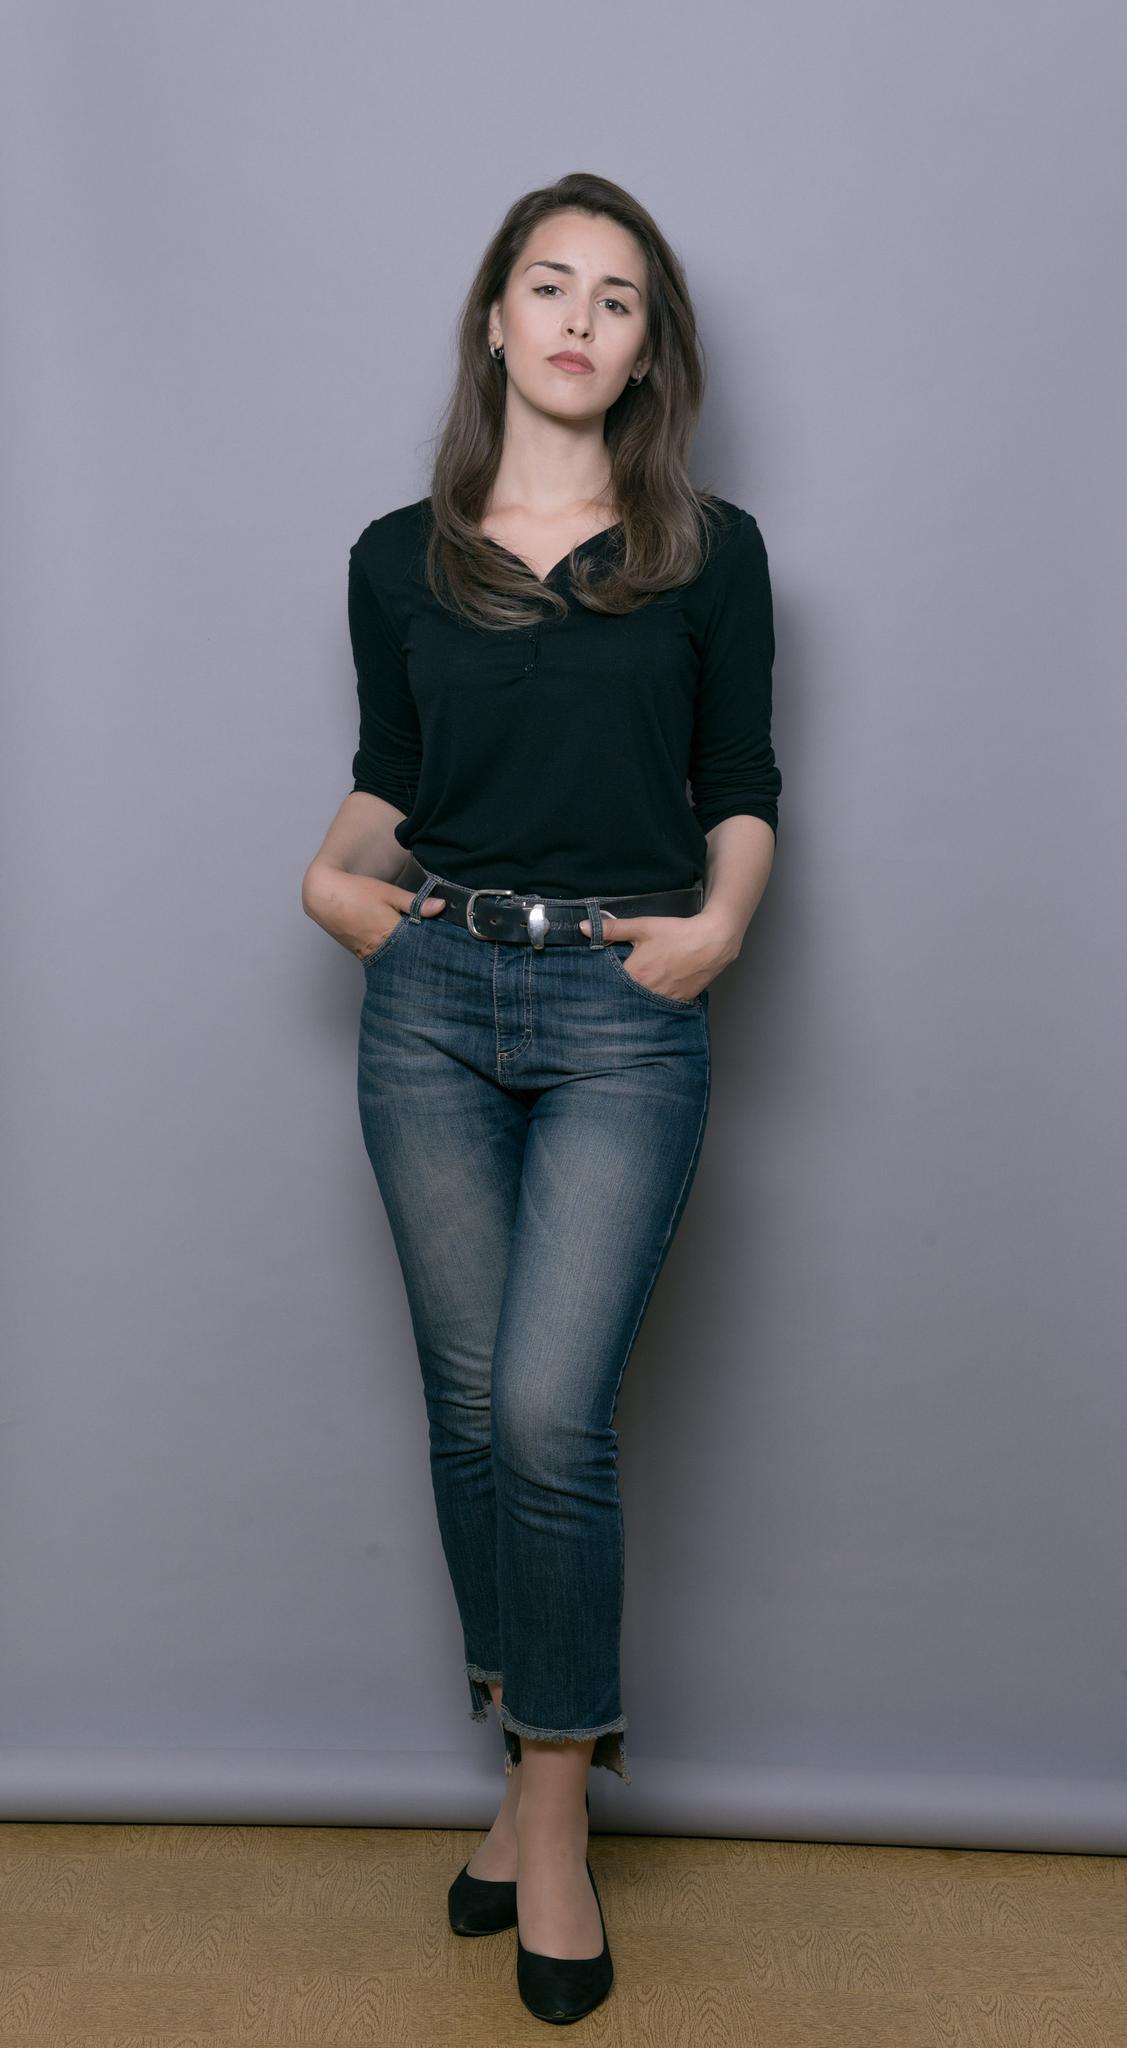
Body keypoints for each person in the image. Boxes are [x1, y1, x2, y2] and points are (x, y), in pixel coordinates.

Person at [301, 170, 780, 2026]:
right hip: (429, 999)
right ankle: (530, 1763)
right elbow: (391, 774)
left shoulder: (708, 553)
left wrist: (718, 929)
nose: (580, 319)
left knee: (550, 1414)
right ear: (496, 321)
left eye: (618, 298)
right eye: (551, 285)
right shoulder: (392, 558)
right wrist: (330, 877)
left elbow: (739, 780)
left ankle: (555, 1811)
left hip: (619, 1010)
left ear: (647, 351)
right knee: (470, 1408)